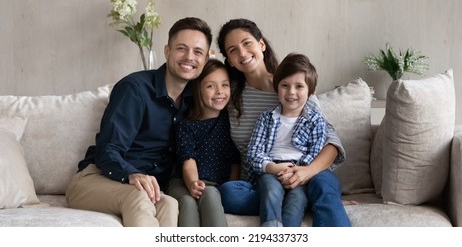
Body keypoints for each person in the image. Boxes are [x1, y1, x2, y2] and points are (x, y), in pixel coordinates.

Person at [65, 17, 212, 227]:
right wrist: (132, 174)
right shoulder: (135, 89)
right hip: (95, 180)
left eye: (198, 52)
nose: (189, 57)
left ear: (206, 59)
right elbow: (108, 149)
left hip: (144, 188)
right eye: (181, 48)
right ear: (167, 51)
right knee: (139, 198)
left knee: (169, 204)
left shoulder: (195, 100)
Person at [216, 18, 351, 227]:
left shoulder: (295, 87)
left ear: (261, 44)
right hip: (264, 179)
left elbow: (330, 142)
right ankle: (305, 200)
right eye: (232, 50)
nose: (242, 53)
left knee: (323, 185)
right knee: (227, 194)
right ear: (230, 60)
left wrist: (306, 172)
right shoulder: (230, 96)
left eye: (246, 43)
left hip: (307, 174)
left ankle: (314, 198)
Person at [248, 53, 331, 227]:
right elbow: (254, 153)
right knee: (270, 190)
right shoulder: (266, 118)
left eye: (299, 86)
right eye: (285, 85)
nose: (291, 92)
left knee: (297, 200)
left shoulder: (315, 120)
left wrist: (296, 171)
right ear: (277, 88)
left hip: (299, 173)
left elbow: (315, 152)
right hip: (270, 169)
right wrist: (272, 167)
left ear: (310, 92)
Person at [167, 59, 240, 227]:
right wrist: (193, 182)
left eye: (225, 85)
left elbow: (235, 160)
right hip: (182, 182)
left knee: (211, 193)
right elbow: (188, 159)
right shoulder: (186, 125)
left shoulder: (230, 121)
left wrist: (231, 187)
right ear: (197, 90)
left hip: (215, 186)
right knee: (187, 202)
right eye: (210, 86)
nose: (220, 92)